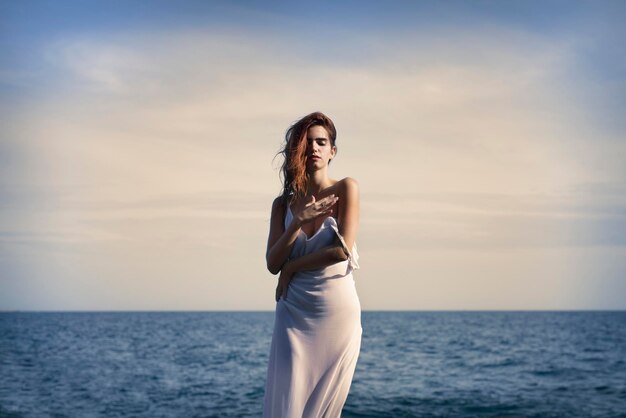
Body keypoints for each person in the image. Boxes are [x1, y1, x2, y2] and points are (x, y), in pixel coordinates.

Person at [262, 111, 362, 417]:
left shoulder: (346, 188)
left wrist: (292, 268)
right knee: (287, 406)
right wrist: (297, 223)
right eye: (308, 142)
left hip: (336, 313)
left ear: (333, 151)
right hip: (293, 313)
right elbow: (272, 263)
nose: (315, 148)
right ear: (298, 150)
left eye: (322, 142)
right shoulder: (282, 205)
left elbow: (342, 250)